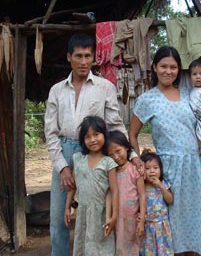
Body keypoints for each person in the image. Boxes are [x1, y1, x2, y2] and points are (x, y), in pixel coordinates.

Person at [44, 33, 143, 255]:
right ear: (69, 57)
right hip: (65, 150)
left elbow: (116, 125)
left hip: (96, 154)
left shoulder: (104, 87)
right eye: (78, 56)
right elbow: (50, 133)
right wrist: (62, 166)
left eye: (88, 56)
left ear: (94, 58)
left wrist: (133, 155)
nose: (83, 61)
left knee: (98, 211)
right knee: (59, 214)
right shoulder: (57, 90)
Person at [129, 46, 201, 256]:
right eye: (164, 66)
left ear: (179, 70)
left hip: (195, 166)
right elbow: (131, 135)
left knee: (195, 218)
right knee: (172, 222)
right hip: (169, 169)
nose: (168, 71)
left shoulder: (190, 94)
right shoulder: (147, 100)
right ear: (155, 68)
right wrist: (137, 160)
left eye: (173, 67)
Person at [64, 116, 119, 255]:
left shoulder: (108, 162)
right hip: (83, 213)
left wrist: (114, 216)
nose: (92, 140)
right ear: (83, 140)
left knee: (103, 249)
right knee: (84, 247)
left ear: (104, 135)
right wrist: (67, 207)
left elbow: (114, 191)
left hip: (101, 215)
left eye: (96, 134)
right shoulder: (79, 159)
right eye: (87, 136)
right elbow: (73, 186)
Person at [106, 130, 146, 256]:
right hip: (116, 219)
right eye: (111, 155)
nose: (116, 157)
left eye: (118, 151)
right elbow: (108, 194)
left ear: (127, 148)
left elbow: (142, 195)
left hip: (133, 219)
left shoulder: (134, 170)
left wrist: (142, 218)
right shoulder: (111, 172)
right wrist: (109, 217)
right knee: (118, 248)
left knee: (134, 247)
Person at [139, 150, 174, 256]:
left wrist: (160, 186)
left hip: (162, 226)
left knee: (163, 251)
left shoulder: (163, 184)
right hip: (147, 226)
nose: (152, 171)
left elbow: (170, 200)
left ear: (161, 169)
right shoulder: (141, 187)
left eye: (155, 168)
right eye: (147, 168)